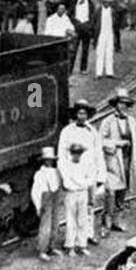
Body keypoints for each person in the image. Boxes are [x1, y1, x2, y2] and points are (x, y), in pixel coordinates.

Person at [58, 100, 104, 249]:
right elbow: (62, 156)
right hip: (73, 175)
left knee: (90, 205)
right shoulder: (67, 131)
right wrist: (65, 177)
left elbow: (98, 153)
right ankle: (71, 240)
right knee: (72, 208)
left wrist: (100, 176)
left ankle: (87, 235)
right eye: (79, 113)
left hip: (89, 175)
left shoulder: (92, 131)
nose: (82, 116)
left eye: (85, 113)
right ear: (75, 114)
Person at [99, 88, 136, 234]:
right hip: (113, 162)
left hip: (127, 160)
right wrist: (116, 143)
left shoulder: (131, 121)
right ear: (116, 104)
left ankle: (117, 220)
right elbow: (100, 140)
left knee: (123, 191)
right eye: (121, 103)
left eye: (125, 104)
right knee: (110, 193)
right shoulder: (108, 121)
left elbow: (135, 142)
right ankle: (105, 224)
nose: (123, 106)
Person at [31, 146, 63, 261]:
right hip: (46, 200)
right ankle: (42, 250)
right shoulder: (39, 174)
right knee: (45, 226)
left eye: (51, 159)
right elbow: (35, 192)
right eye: (47, 160)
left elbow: (58, 186)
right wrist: (38, 206)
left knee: (55, 224)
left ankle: (52, 247)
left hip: (55, 198)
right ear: (44, 161)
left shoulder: (55, 172)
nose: (49, 161)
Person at [71, 0, 95, 73]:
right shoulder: (74, 3)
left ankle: (83, 68)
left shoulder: (91, 4)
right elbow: (71, 15)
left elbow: (92, 17)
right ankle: (70, 69)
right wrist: (76, 23)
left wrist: (88, 25)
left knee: (85, 50)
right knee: (73, 49)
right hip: (76, 29)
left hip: (86, 29)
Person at [93, 0, 117, 79]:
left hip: (110, 33)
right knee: (100, 53)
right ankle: (99, 73)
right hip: (101, 34)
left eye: (108, 0)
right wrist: (94, 35)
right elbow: (94, 23)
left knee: (110, 52)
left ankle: (109, 72)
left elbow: (116, 24)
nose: (106, 2)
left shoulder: (112, 11)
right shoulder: (98, 11)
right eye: (105, 0)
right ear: (102, 1)